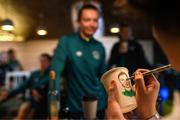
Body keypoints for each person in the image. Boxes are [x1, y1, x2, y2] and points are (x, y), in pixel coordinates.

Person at [107, 0, 180, 119]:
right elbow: (111, 63)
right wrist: (149, 113)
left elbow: (143, 62)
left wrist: (151, 70)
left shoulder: (136, 46)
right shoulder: (116, 46)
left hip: (136, 84)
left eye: (127, 32)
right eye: (123, 32)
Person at [50, 4, 107, 119]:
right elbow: (54, 75)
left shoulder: (100, 47)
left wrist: (109, 104)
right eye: (87, 20)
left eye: (95, 20)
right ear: (78, 21)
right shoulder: (66, 42)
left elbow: (103, 79)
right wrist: (53, 110)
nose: (92, 24)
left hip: (99, 106)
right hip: (76, 106)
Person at [0, 53, 51, 119]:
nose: (42, 63)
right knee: (24, 108)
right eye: (41, 61)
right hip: (33, 100)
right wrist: (9, 93)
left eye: (45, 61)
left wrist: (33, 88)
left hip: (46, 101)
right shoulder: (35, 74)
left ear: (50, 62)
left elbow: (48, 84)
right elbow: (22, 86)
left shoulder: (52, 74)